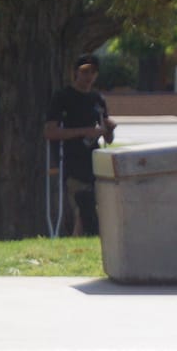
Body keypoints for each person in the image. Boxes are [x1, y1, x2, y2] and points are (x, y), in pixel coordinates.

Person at [43, 55, 115, 236]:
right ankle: (82, 238)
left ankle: (80, 240)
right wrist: (84, 131)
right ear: (75, 72)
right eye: (84, 71)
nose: (89, 76)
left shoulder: (97, 99)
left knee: (89, 206)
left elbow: (108, 139)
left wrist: (109, 129)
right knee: (83, 204)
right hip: (71, 160)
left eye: (93, 72)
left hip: (94, 160)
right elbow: (50, 132)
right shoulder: (63, 97)